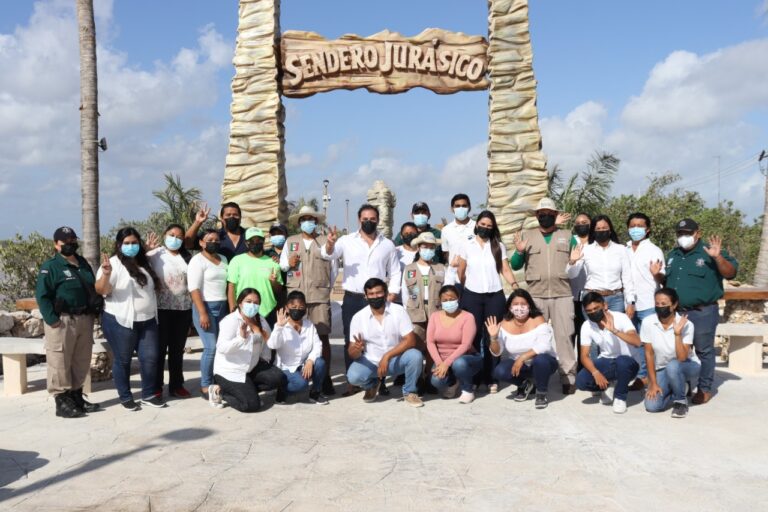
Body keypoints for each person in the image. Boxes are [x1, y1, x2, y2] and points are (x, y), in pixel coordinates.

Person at [321, 204, 401, 392]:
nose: (368, 222)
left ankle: (380, 381)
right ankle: (353, 381)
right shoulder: (346, 241)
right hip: (354, 299)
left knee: (380, 338)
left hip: (378, 299)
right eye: (365, 219)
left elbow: (396, 271)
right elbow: (327, 255)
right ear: (359, 220)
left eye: (372, 219)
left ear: (378, 220)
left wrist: (392, 294)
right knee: (353, 339)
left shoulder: (387, 244)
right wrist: (330, 243)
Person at [665, 218, 737, 405]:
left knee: (704, 351)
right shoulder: (673, 255)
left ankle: (704, 389)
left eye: (688, 233)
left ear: (698, 233)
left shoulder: (709, 252)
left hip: (702, 312)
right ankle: (685, 384)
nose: (684, 237)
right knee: (680, 350)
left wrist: (717, 257)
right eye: (680, 233)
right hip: (678, 313)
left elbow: (730, 273)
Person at [510, 197, 577, 394]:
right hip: (536, 295)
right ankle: (530, 376)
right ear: (537, 216)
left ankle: (567, 377)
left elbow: (577, 261)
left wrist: (573, 262)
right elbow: (515, 265)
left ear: (555, 215)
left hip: (562, 293)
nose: (545, 216)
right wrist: (520, 251)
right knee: (532, 337)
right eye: (541, 214)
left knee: (564, 336)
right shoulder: (527, 236)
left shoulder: (567, 235)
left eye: (549, 213)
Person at [95, 227, 165, 410]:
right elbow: (102, 291)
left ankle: (149, 394)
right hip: (121, 321)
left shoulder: (144, 262)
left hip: (148, 319)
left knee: (150, 358)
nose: (131, 246)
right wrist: (107, 274)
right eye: (127, 243)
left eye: (134, 243)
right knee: (123, 360)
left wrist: (147, 251)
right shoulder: (112, 264)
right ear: (119, 245)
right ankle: (125, 396)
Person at [35, 226, 100, 418]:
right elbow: (42, 295)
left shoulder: (82, 263)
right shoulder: (50, 267)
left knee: (81, 359)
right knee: (59, 360)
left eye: (73, 241)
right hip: (62, 321)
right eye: (66, 242)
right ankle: (61, 401)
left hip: (84, 319)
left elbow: (92, 287)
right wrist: (52, 319)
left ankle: (77, 396)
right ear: (56, 245)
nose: (71, 244)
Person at [455, 210, 518, 393]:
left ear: (493, 228)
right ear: (477, 225)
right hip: (472, 296)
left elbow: (505, 269)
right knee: (473, 337)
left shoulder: (498, 246)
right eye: (482, 224)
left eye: (489, 226)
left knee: (492, 336)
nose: (485, 228)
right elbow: (461, 271)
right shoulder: (466, 245)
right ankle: (474, 377)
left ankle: (492, 377)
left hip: (494, 296)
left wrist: (514, 285)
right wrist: (467, 289)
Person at [280, 205, 337, 395]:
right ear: (299, 222)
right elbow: (283, 267)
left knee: (322, 336)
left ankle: (325, 377)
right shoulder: (291, 241)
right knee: (292, 336)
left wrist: (329, 244)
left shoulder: (323, 241)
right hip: (296, 298)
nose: (308, 222)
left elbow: (332, 265)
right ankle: (293, 373)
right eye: (304, 219)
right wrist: (289, 263)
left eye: (311, 219)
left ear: (317, 222)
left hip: (318, 297)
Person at [346, 278, 424, 407]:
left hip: (395, 360)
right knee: (353, 377)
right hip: (371, 362)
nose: (375, 296)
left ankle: (410, 392)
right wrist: (356, 349)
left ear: (386, 293)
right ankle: (372, 385)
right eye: (371, 294)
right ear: (365, 296)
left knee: (415, 356)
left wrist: (387, 356)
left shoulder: (398, 311)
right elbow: (351, 353)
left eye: (378, 293)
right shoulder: (358, 318)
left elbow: (411, 341)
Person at [209, 288, 286, 411]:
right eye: (248, 301)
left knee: (278, 378)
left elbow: (269, 345)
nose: (252, 305)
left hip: (251, 367)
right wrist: (241, 338)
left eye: (256, 303)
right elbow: (222, 348)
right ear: (240, 303)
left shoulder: (261, 321)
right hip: (231, 371)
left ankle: (247, 391)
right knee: (251, 405)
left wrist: (279, 328)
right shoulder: (230, 321)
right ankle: (219, 390)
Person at [486, 289, 559, 409]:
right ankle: (525, 385)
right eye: (515, 304)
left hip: (543, 363)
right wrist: (493, 338)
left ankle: (541, 393)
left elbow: (544, 345)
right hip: (519, 367)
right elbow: (496, 352)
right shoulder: (504, 323)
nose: (519, 308)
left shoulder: (538, 319)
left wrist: (522, 357)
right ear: (509, 307)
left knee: (540, 360)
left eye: (523, 304)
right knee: (499, 371)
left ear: (529, 305)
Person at [402, 232, 455, 393]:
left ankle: (429, 377)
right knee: (416, 346)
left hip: (436, 311)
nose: (428, 250)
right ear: (418, 248)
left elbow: (448, 290)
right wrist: (407, 312)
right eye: (425, 246)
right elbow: (405, 293)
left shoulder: (440, 269)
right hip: (415, 312)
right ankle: (416, 379)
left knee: (434, 346)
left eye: (432, 247)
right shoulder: (409, 269)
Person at [147, 224, 193, 399]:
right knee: (159, 350)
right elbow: (136, 263)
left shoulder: (187, 257)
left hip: (183, 309)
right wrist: (146, 249)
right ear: (164, 235)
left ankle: (176, 385)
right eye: (171, 234)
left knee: (177, 350)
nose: (175, 239)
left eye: (179, 236)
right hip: (160, 310)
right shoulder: (155, 254)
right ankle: (156, 386)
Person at [575, 292, 641, 414]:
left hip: (629, 362)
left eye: (596, 308)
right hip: (607, 361)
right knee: (581, 381)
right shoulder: (587, 325)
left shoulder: (621, 317)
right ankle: (608, 385)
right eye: (589, 311)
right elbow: (584, 356)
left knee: (622, 361)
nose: (593, 312)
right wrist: (596, 373)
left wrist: (615, 331)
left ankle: (620, 398)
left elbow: (637, 341)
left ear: (605, 305)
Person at [642, 288, 700, 418]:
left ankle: (680, 401)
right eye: (657, 304)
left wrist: (677, 334)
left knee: (673, 366)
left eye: (664, 304)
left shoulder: (687, 324)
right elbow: (649, 354)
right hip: (662, 368)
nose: (660, 307)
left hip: (687, 365)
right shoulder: (648, 322)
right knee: (652, 406)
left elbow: (682, 357)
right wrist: (653, 383)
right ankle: (680, 387)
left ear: (674, 305)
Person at [625, 212, 665, 390]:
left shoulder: (654, 250)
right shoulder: (624, 249)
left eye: (640, 226)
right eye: (632, 225)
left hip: (649, 303)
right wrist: (629, 301)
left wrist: (657, 274)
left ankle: (654, 376)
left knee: (651, 342)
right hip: (630, 303)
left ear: (647, 229)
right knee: (635, 342)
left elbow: (662, 278)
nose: (636, 229)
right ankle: (641, 376)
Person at [188, 228, 229, 399]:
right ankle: (205, 384)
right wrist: (202, 312)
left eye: (217, 239)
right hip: (204, 307)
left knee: (220, 347)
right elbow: (194, 288)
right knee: (210, 347)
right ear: (201, 242)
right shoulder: (197, 261)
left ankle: (216, 379)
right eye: (210, 239)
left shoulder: (224, 259)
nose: (214, 242)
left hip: (223, 307)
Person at [266, 291, 329, 405]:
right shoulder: (281, 326)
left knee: (320, 363)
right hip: (286, 367)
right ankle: (282, 390)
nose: (297, 310)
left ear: (305, 308)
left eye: (301, 307)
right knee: (301, 385)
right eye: (293, 307)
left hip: (303, 364)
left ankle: (315, 393)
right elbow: (272, 345)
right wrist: (279, 327)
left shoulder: (309, 325)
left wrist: (310, 360)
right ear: (287, 307)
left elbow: (317, 345)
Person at [567, 215, 635, 316]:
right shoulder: (586, 250)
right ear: (593, 231)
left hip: (616, 300)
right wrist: (572, 261)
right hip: (592, 299)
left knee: (614, 330)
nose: (601, 231)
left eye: (604, 228)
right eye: (598, 229)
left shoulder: (621, 249)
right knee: (594, 331)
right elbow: (572, 275)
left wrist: (630, 302)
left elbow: (627, 278)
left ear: (610, 230)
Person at [425, 285, 480, 403]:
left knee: (459, 364)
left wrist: (447, 363)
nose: (448, 302)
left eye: (452, 299)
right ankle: (453, 382)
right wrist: (440, 363)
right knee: (436, 381)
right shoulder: (434, 316)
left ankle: (468, 389)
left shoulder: (467, 317)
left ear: (458, 298)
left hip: (465, 359)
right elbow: (430, 342)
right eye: (445, 300)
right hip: (442, 360)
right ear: (440, 301)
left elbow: (466, 344)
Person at [227, 227, 283, 328]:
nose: (255, 243)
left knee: (269, 343)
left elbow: (278, 291)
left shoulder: (273, 262)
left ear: (263, 241)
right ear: (246, 242)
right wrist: (232, 308)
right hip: (244, 311)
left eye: (258, 240)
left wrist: (274, 282)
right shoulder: (236, 261)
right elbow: (231, 286)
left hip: (268, 312)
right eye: (251, 241)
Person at [570, 213, 591, 369]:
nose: (581, 225)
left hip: (589, 297)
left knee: (586, 334)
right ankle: (569, 370)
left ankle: (583, 368)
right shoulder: (571, 242)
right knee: (570, 334)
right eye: (578, 222)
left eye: (584, 222)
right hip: (570, 295)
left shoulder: (596, 243)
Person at [440, 194, 475, 266]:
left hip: (474, 273)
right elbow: (446, 252)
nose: (461, 208)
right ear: (452, 209)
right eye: (457, 206)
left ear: (469, 208)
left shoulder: (477, 227)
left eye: (464, 206)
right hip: (454, 273)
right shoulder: (446, 230)